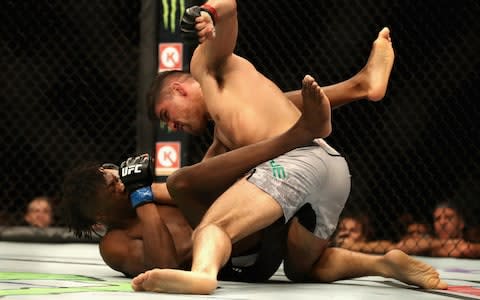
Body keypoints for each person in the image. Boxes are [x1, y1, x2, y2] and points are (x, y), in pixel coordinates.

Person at [130, 0, 447, 294]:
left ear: (178, 89)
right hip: (332, 168)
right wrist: (135, 186)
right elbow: (191, 183)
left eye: (166, 116)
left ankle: (203, 274)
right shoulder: (228, 128)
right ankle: (383, 263)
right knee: (302, 268)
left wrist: (206, 13)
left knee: (213, 226)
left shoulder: (206, 66)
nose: (172, 127)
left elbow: (230, 8)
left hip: (295, 162)